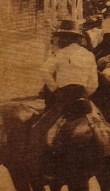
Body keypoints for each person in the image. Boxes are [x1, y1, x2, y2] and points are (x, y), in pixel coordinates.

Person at [39, 19, 100, 147]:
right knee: (100, 125)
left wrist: (55, 89)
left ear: (65, 38)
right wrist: (84, 93)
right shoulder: (89, 55)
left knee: (39, 127)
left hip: (64, 97)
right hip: (83, 98)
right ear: (77, 39)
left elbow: (44, 71)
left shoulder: (59, 53)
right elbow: (94, 84)